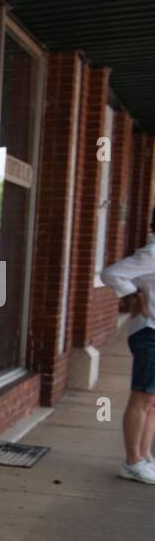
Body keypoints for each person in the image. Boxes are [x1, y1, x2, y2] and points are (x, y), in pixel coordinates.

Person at [100, 206, 155, 484]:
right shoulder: (152, 254)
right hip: (150, 334)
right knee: (142, 398)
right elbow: (110, 273)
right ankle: (132, 461)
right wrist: (136, 295)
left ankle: (144, 457)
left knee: (152, 402)